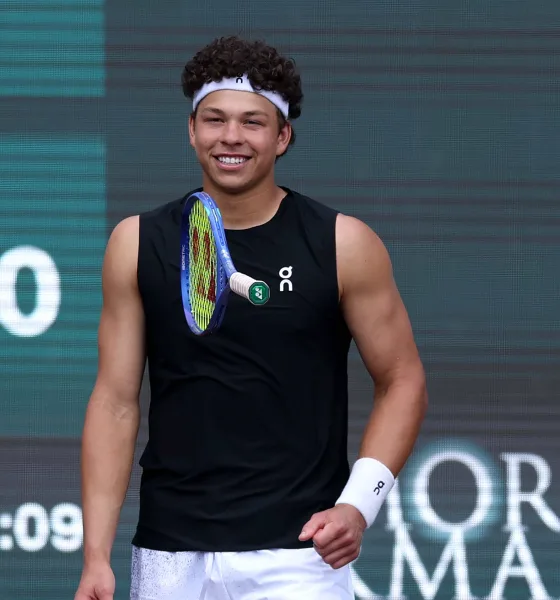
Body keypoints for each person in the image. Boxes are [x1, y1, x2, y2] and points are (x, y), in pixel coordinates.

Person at [74, 36, 427, 600]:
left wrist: (358, 505)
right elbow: (115, 402)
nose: (231, 137)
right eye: (214, 119)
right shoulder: (137, 242)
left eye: (252, 122)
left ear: (282, 136)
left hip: (299, 555)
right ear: (192, 131)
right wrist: (95, 557)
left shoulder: (343, 243)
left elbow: (403, 379)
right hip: (169, 553)